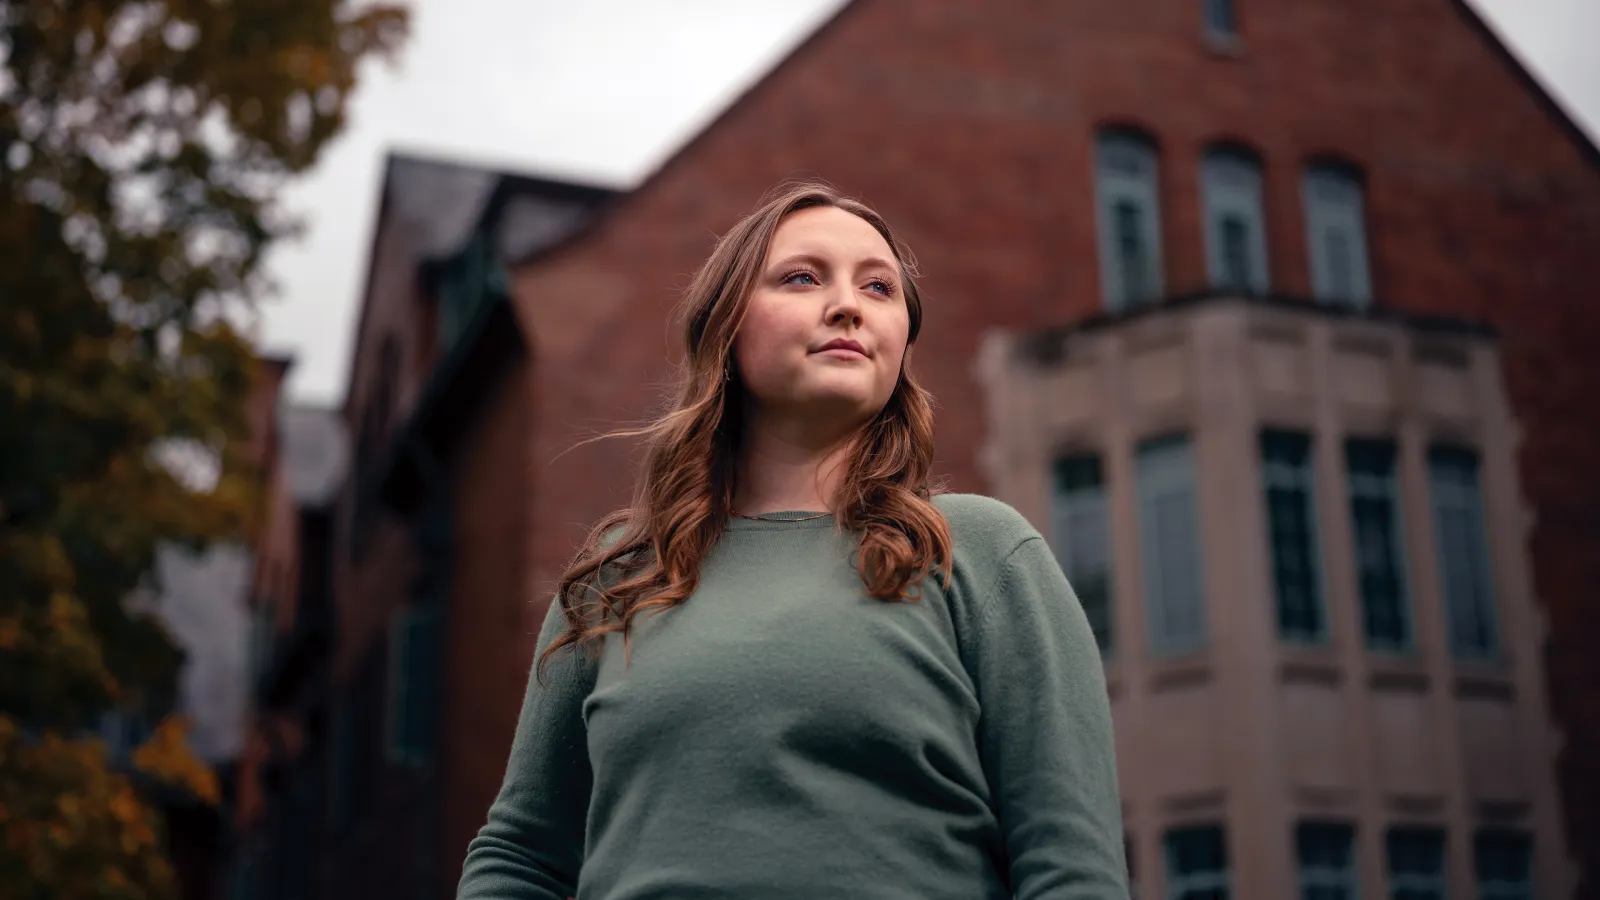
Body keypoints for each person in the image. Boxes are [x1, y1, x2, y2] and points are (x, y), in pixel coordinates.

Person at [456, 182, 1128, 899]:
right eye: (803, 278)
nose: (848, 306)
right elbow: (521, 856)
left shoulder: (980, 552)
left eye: (879, 287)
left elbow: (1071, 868)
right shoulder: (619, 576)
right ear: (726, 327)